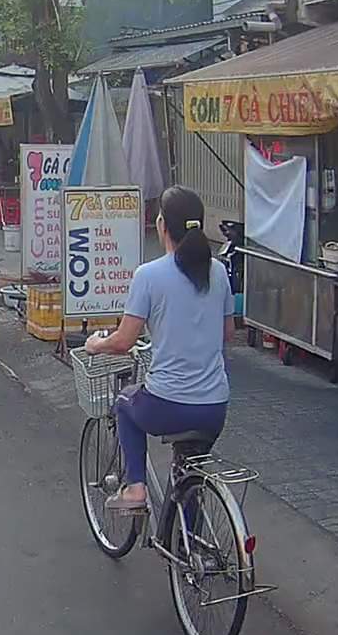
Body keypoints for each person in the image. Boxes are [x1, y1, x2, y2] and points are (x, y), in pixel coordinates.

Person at [84, 186, 234, 511]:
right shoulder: (219, 272)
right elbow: (227, 333)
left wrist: (96, 344)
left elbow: (124, 341)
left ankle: (135, 488)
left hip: (168, 404)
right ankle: (189, 538)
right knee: (189, 473)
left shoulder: (149, 275)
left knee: (124, 403)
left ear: (162, 225)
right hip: (214, 406)